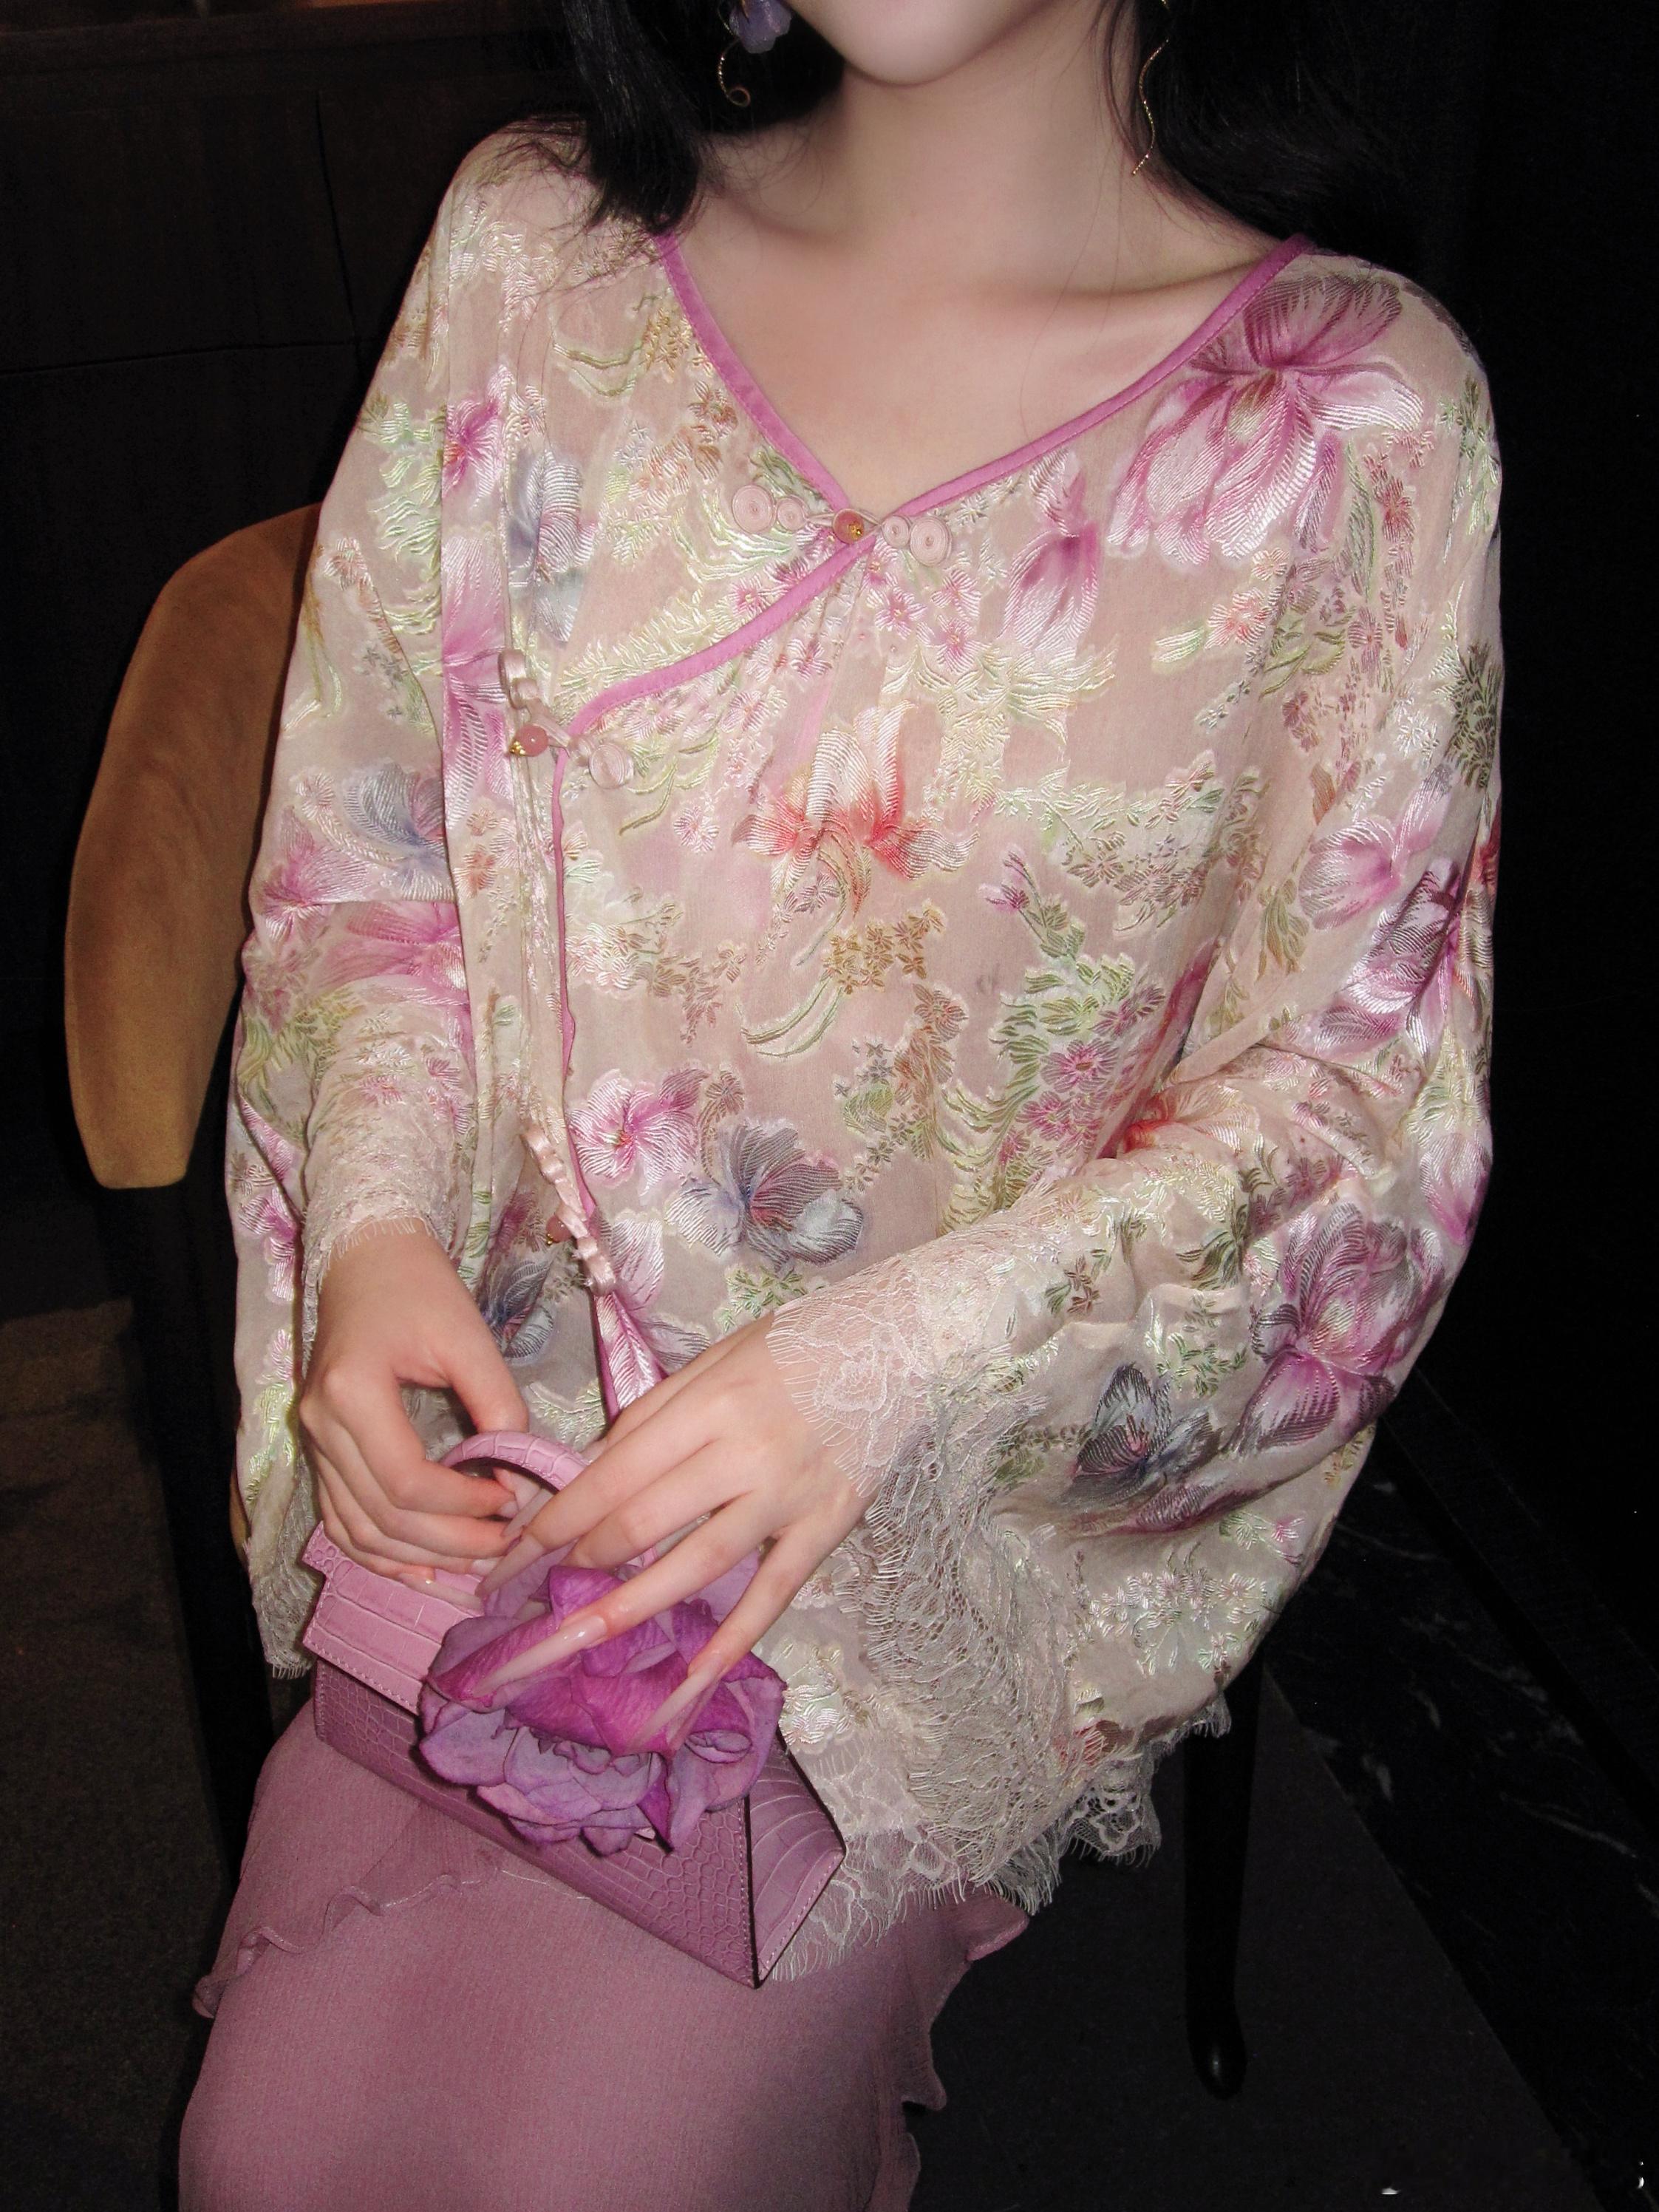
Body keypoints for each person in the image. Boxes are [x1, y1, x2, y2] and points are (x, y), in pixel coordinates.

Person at [180, 0, 1502, 2204]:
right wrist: (378, 1225)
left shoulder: (1351, 420)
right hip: (494, 1463)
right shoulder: (536, 259)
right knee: (266, 2150)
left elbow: (1360, 1127)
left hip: (937, 1515)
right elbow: (376, 857)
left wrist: (886, 1375)